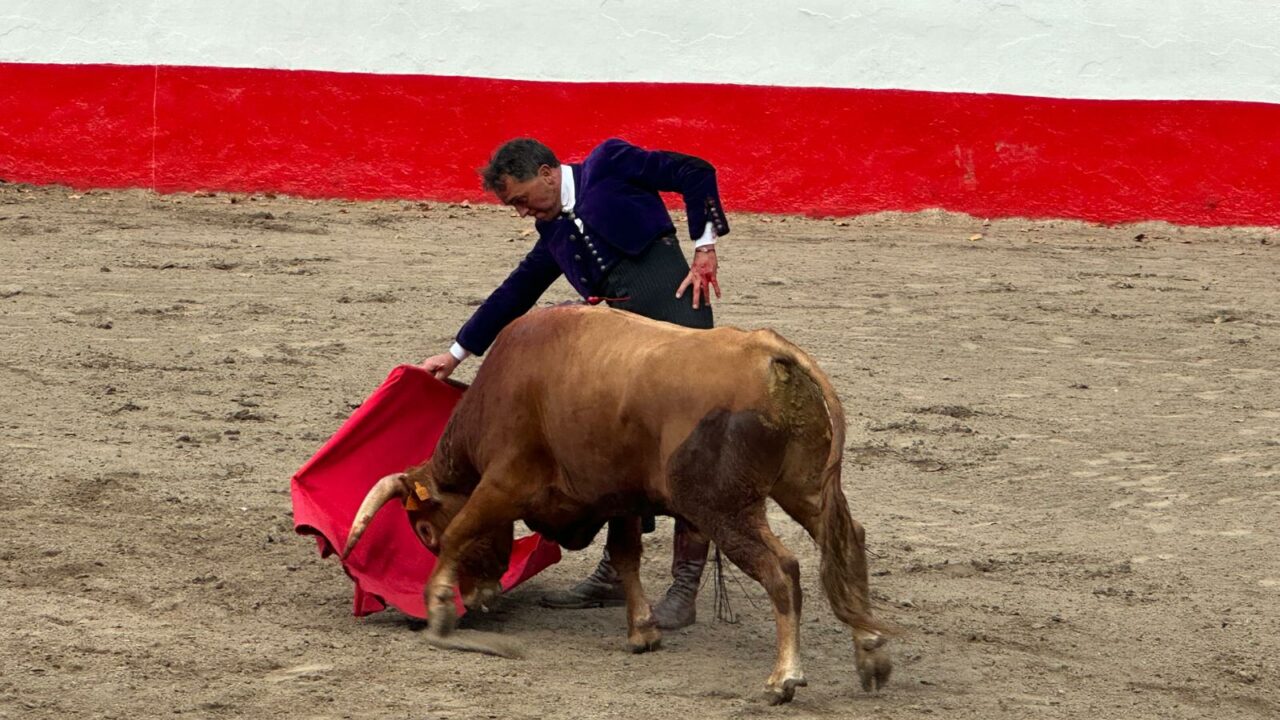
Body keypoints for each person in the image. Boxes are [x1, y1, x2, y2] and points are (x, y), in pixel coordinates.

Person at [420, 136, 729, 629]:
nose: (521, 212)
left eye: (521, 199)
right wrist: (456, 354)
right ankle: (614, 574)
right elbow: (514, 292)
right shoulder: (554, 232)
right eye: (513, 206)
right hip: (622, 348)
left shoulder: (610, 164)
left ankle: (685, 586)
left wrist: (704, 248)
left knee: (685, 453)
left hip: (677, 324)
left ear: (546, 173)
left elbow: (695, 170)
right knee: (617, 453)